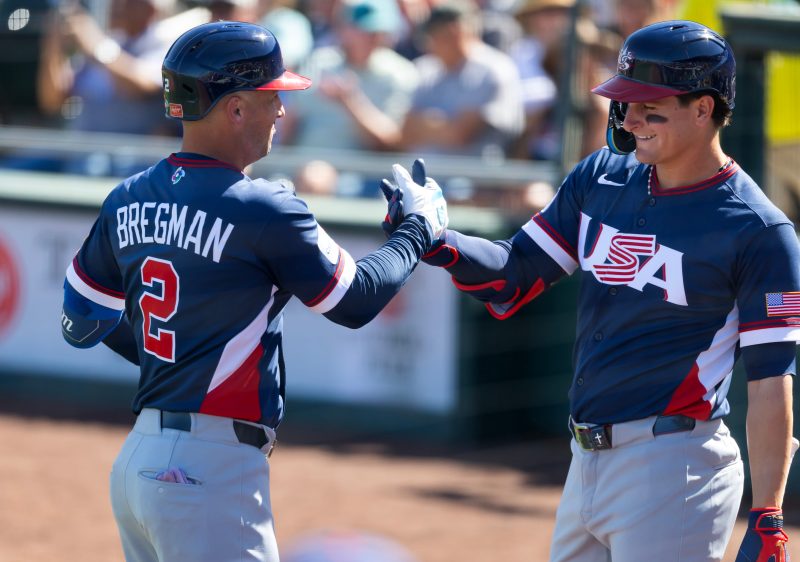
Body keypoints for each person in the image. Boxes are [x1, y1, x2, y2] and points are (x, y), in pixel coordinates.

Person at [382, 20, 796, 562]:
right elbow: (515, 273)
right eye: (626, 103)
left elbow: (771, 382)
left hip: (675, 465)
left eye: (650, 106)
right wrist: (438, 241)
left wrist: (768, 514)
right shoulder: (601, 176)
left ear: (703, 108)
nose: (630, 119)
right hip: (585, 460)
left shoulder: (759, 229)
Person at [59, 21, 447, 562]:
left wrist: (175, 361)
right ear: (236, 108)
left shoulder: (127, 196)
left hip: (139, 460)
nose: (282, 110)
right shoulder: (262, 206)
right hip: (209, 470)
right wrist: (418, 229)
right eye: (272, 96)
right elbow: (355, 300)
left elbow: (81, 319)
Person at [400, 1, 524, 160]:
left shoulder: (493, 70)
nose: (429, 44)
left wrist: (424, 123)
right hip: (424, 171)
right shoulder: (426, 68)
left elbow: (458, 135)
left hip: (475, 173)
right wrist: (441, 124)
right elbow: (404, 132)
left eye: (435, 36)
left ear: (456, 32)